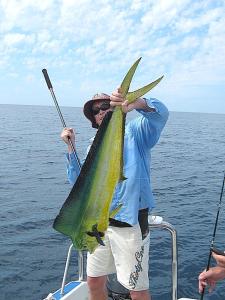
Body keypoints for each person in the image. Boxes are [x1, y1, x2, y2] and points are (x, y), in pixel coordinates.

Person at [61, 88, 169, 300]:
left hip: (130, 225)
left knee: (136, 291)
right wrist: (70, 147)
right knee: (93, 281)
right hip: (99, 225)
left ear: (115, 107)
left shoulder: (136, 132)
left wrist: (137, 103)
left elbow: (161, 114)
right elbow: (79, 183)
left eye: (105, 105)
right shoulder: (94, 144)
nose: (100, 111)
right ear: (93, 119)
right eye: (95, 110)